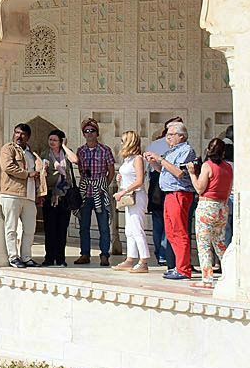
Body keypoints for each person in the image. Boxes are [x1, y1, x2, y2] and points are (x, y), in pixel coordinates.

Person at [145, 120, 197, 280]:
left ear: (181, 136)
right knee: (171, 232)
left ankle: (183, 269)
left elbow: (179, 173)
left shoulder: (186, 150)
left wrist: (160, 159)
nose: (168, 138)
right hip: (168, 193)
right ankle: (176, 265)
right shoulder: (171, 151)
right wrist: (154, 163)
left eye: (170, 135)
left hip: (179, 193)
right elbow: (164, 170)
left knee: (180, 231)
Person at [191, 137, 234, 288]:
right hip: (222, 206)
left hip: (207, 207)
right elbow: (228, 190)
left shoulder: (207, 166)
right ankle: (231, 274)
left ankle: (207, 279)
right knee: (220, 243)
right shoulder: (228, 167)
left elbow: (199, 188)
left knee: (203, 244)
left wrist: (191, 174)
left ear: (208, 150)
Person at [74, 119, 116, 266]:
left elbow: (111, 171)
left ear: (97, 133)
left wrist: (103, 185)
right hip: (86, 192)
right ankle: (85, 254)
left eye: (92, 131)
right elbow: (79, 169)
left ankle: (104, 254)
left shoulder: (105, 149)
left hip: (100, 192)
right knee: (84, 226)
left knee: (103, 226)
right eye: (86, 131)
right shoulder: (81, 150)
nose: (89, 133)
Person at [0, 123, 41, 267]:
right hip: (12, 193)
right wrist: (27, 174)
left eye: (22, 134)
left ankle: (26, 257)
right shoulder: (8, 149)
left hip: (29, 195)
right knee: (11, 228)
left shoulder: (31, 153)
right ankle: (13, 257)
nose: (19, 136)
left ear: (28, 136)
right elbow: (7, 167)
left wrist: (39, 192)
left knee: (29, 229)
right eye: (17, 132)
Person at [111, 130, 151, 273]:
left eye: (123, 141)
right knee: (129, 230)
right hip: (129, 197)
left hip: (136, 196)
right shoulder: (128, 159)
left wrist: (123, 191)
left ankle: (144, 260)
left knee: (137, 229)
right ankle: (130, 258)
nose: (121, 143)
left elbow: (139, 181)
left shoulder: (138, 159)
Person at [146, 117, 182, 269]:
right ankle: (165, 254)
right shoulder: (177, 147)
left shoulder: (154, 145)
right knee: (168, 222)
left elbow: (149, 168)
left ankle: (160, 254)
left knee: (159, 222)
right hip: (167, 185)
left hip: (156, 184)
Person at [39, 129, 78, 266]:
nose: (52, 142)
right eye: (50, 139)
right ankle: (49, 257)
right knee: (50, 229)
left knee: (62, 228)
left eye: (55, 140)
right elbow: (42, 173)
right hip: (50, 195)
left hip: (64, 195)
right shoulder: (45, 154)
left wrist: (65, 146)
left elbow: (75, 160)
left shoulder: (66, 154)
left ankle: (60, 258)